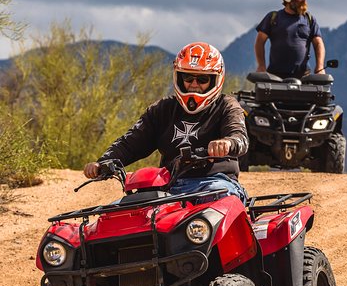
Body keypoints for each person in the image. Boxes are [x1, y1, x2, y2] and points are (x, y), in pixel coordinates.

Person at [83, 42, 249, 203]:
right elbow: (130, 144)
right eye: (188, 77)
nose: (194, 84)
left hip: (216, 184)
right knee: (119, 214)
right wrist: (102, 162)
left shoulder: (227, 105)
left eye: (203, 79)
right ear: (178, 76)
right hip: (168, 186)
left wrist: (228, 143)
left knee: (219, 201)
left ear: (215, 80)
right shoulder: (162, 109)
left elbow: (240, 137)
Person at [254, 0, 325, 79]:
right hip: (275, 77)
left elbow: (318, 43)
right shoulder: (273, 17)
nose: (303, 0)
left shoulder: (309, 19)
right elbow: (259, 41)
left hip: (303, 77)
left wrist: (320, 68)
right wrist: (261, 66)